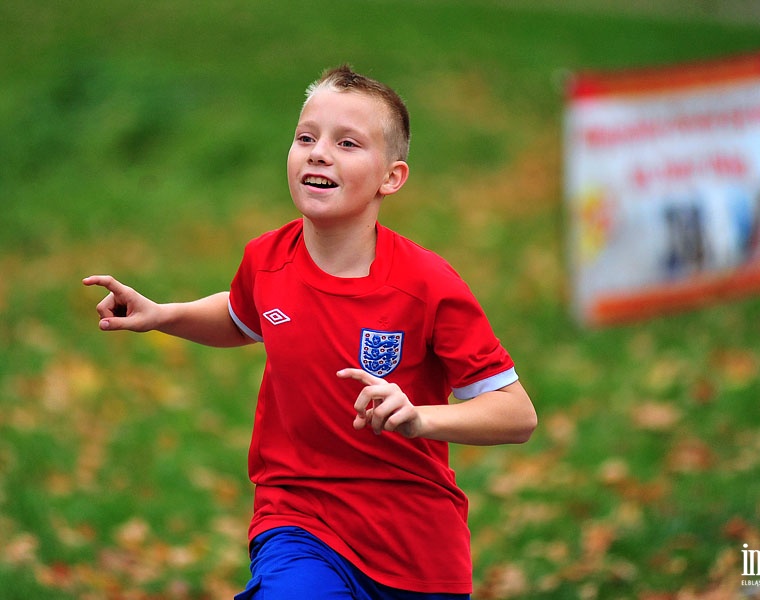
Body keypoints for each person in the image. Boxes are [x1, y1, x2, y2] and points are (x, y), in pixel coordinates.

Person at [83, 65, 537, 600]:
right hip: (297, 518)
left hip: (415, 545)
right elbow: (242, 317)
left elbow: (517, 415)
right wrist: (164, 314)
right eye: (306, 137)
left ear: (391, 177)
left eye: (347, 143)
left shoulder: (428, 286)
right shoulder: (267, 260)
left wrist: (420, 418)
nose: (319, 153)